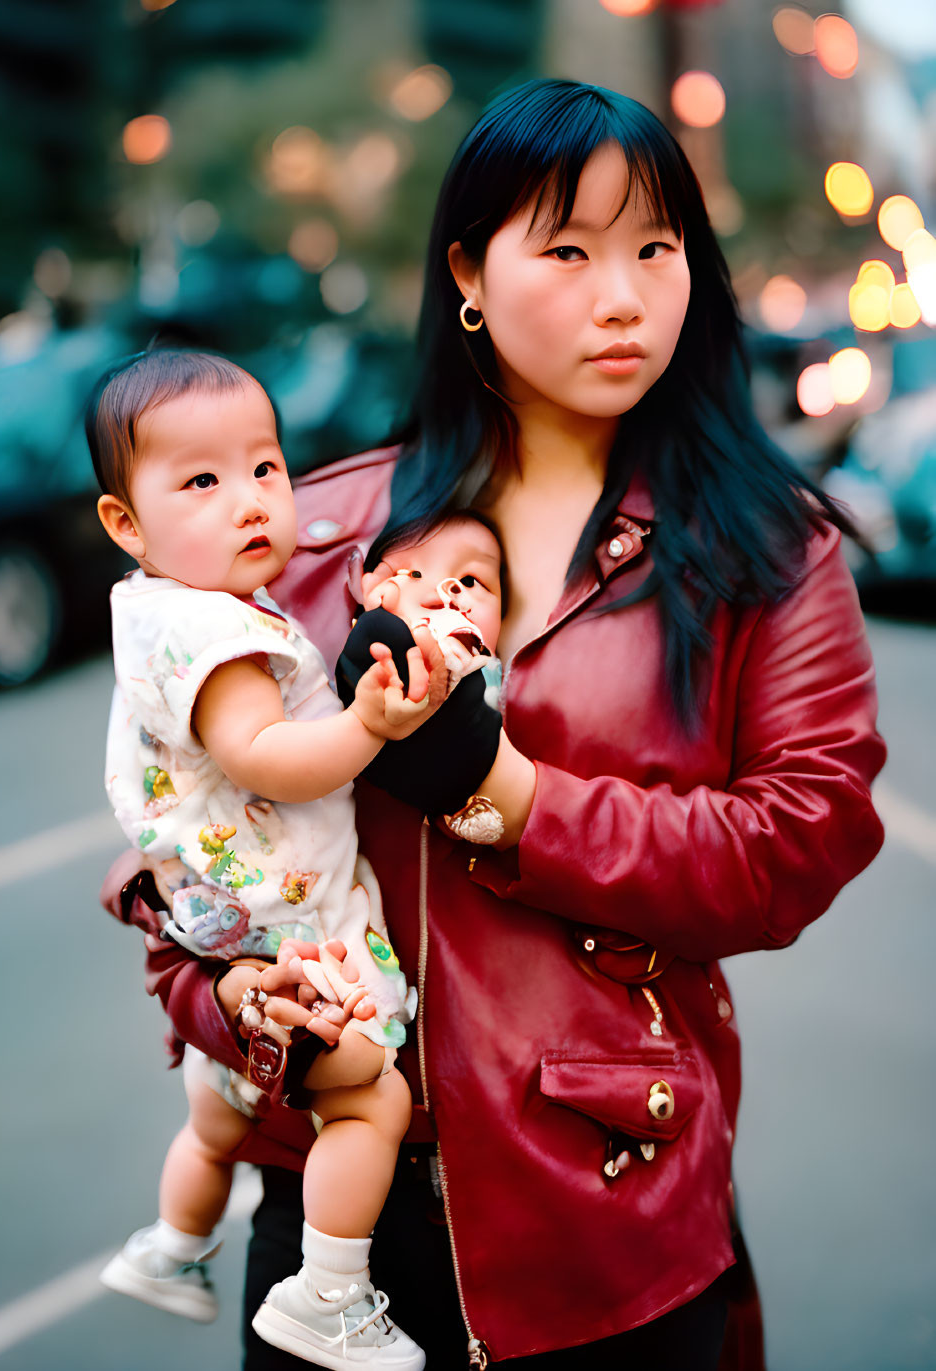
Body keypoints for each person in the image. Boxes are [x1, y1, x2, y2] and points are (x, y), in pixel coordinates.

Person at [101, 79, 886, 1369]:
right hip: (331, 1228)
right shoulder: (313, 536)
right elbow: (178, 854)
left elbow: (799, 840)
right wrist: (238, 996)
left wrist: (507, 789)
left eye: (655, 247)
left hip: (609, 1207)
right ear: (468, 267)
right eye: (568, 250)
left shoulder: (763, 548)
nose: (622, 294)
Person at [89, 351, 504, 1368]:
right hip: (290, 940)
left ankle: (172, 1244)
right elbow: (269, 758)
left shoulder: (162, 609)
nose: (250, 502)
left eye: (266, 468)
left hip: (223, 924)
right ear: (124, 523)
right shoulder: (217, 635)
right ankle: (329, 1290)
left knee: (216, 1129)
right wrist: (369, 723)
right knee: (373, 1099)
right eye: (202, 482)